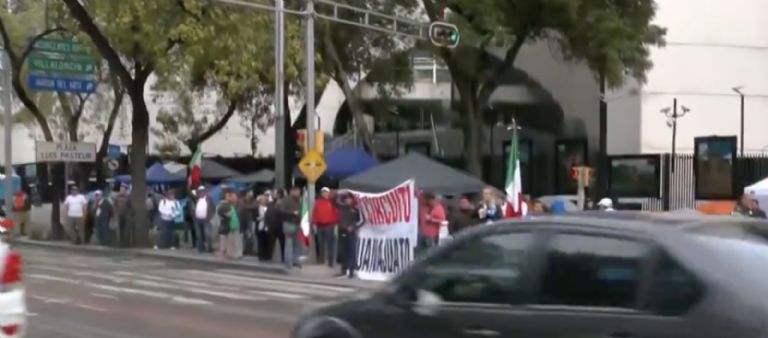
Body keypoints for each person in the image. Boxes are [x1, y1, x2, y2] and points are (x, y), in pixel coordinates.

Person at [336, 193, 363, 278]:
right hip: (342, 231)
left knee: (351, 251)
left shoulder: (355, 209)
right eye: (347, 199)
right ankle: (343, 270)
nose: (348, 200)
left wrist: (354, 227)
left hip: (351, 233)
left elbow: (361, 221)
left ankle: (351, 271)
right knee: (343, 251)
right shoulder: (341, 207)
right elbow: (336, 200)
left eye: (349, 199)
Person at [312, 187, 339, 268]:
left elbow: (336, 214)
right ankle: (321, 260)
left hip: (329, 225)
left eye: (326, 192)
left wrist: (336, 224)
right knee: (321, 244)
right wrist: (314, 224)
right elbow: (315, 213)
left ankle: (330, 261)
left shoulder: (332, 202)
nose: (324, 193)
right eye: (323, 192)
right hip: (320, 225)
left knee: (330, 244)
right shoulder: (318, 202)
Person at [279, 187, 302, 269]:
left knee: (296, 244)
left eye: (299, 192)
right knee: (289, 244)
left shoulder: (299, 200)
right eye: (297, 191)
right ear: (292, 192)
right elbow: (281, 210)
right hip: (289, 223)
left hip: (296, 224)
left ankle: (294, 261)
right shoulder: (286, 200)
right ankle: (288, 262)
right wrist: (293, 213)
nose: (298, 193)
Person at [217, 191, 242, 259]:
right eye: (233, 197)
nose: (235, 198)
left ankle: (234, 254)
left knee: (234, 242)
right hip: (228, 226)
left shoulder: (234, 205)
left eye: (235, 197)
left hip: (235, 225)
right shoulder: (224, 205)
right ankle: (228, 254)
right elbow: (220, 212)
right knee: (228, 242)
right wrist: (226, 215)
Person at [193, 186, 215, 253]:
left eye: (202, 191)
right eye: (199, 192)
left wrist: (209, 217)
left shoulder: (209, 199)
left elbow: (213, 209)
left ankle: (209, 248)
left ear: (205, 192)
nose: (201, 193)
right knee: (199, 235)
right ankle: (201, 249)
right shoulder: (197, 199)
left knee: (207, 234)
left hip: (206, 219)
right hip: (198, 219)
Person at [238, 190, 259, 256]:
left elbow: (256, 206)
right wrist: (250, 207)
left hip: (250, 220)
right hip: (242, 220)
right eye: (250, 192)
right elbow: (242, 207)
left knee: (251, 235)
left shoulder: (253, 200)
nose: (252, 194)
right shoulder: (241, 200)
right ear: (247, 193)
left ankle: (251, 250)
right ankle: (243, 250)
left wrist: (249, 207)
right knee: (243, 236)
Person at [255, 195, 270, 260]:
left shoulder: (269, 208)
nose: (264, 201)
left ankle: (266, 255)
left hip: (267, 227)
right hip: (260, 226)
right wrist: (258, 218)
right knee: (260, 242)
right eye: (263, 200)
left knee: (266, 241)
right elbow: (254, 216)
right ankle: (260, 256)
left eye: (265, 200)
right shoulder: (257, 208)